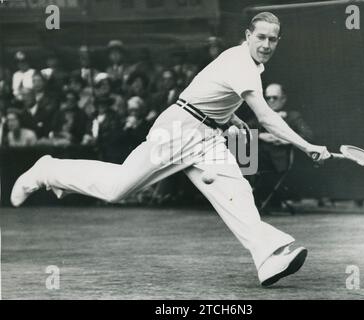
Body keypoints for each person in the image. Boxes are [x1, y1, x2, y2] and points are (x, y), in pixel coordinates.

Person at [11, 12, 330, 287]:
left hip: (207, 135)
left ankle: (267, 258)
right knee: (116, 190)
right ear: (248, 36)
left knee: (236, 191)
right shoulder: (241, 62)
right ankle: (47, 170)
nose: (266, 45)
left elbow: (206, 85)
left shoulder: (247, 63)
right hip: (178, 130)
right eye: (261, 37)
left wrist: (227, 116)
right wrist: (306, 145)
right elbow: (265, 117)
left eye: (273, 40)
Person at [252, 83, 314, 210]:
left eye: (274, 97)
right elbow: (244, 128)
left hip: (278, 159)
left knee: (247, 158)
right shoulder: (261, 115)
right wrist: (260, 136)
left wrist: (287, 140)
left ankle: (252, 199)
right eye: (267, 98)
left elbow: (308, 135)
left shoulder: (293, 116)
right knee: (239, 145)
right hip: (257, 157)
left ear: (283, 99)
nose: (270, 101)